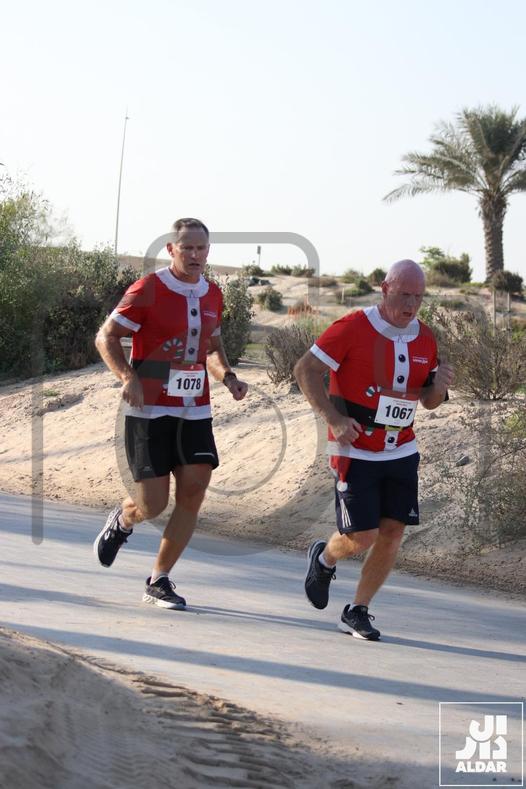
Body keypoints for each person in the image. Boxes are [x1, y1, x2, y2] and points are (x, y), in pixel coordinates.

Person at [93, 218, 248, 609]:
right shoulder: (148, 289)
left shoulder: (213, 293)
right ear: (171, 250)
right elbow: (106, 336)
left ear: (208, 251)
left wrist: (228, 377)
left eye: (201, 248)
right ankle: (123, 520)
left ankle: (159, 579)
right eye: (187, 248)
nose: (195, 255)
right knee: (153, 504)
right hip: (148, 410)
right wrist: (127, 376)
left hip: (194, 410)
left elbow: (211, 348)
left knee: (194, 491)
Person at [294, 259, 453, 640]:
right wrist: (334, 418)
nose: (411, 304)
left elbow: (429, 402)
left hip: (401, 450)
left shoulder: (425, 338)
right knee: (362, 536)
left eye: (418, 297)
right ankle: (325, 557)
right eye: (404, 295)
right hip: (355, 449)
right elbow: (305, 370)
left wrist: (439, 388)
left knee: (393, 531)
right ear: (385, 289)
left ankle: (357, 610)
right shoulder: (352, 327)